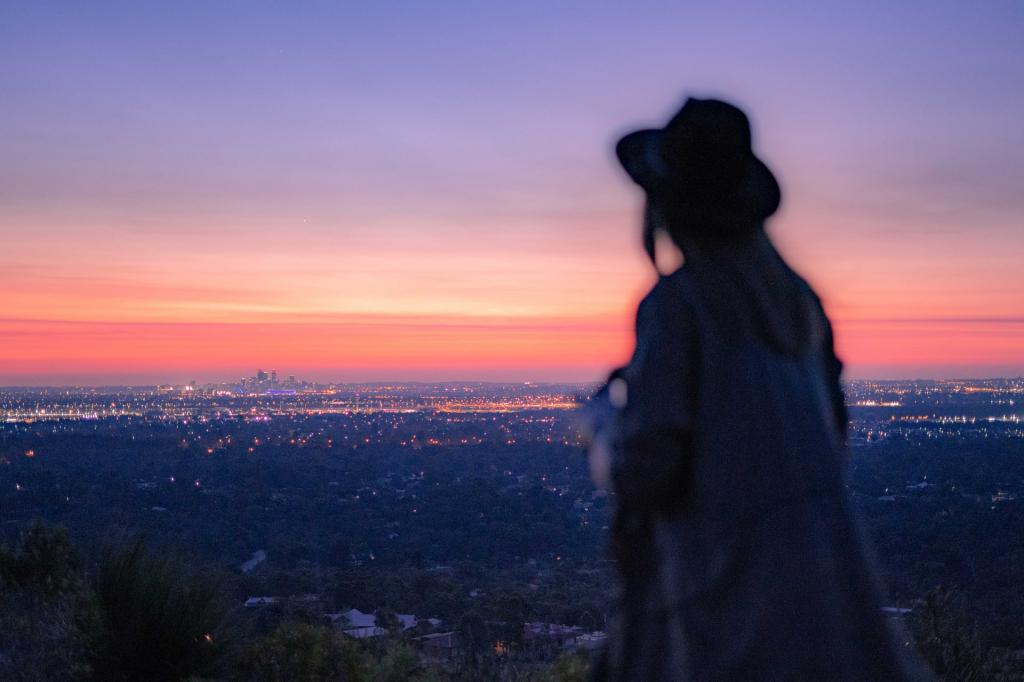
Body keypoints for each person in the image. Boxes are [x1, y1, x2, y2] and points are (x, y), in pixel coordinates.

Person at [583, 97, 933, 681]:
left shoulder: (680, 303)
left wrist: (601, 433)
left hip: (725, 597)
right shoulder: (800, 306)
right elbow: (832, 438)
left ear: (666, 207)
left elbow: (649, 467)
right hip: (827, 584)